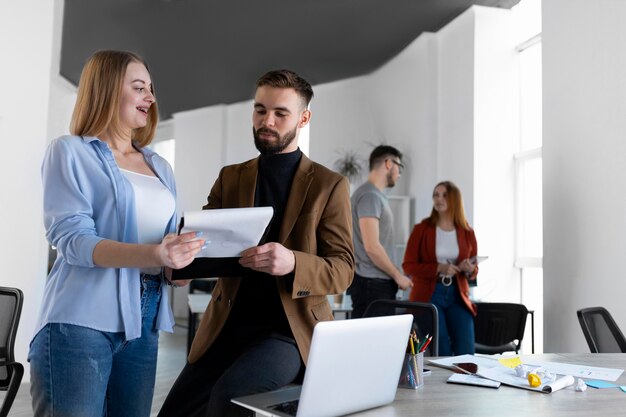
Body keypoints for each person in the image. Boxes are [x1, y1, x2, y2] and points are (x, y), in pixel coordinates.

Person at [158, 69, 355, 417]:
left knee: (228, 400)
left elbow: (342, 269)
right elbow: (204, 244)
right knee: (175, 412)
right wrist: (180, 261)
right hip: (226, 325)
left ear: (304, 118)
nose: (267, 120)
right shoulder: (231, 177)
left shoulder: (329, 185)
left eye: (281, 113)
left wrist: (293, 262)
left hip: (287, 333)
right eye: (260, 110)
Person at [29, 50, 205, 417]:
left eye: (151, 89)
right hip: (80, 322)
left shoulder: (160, 166)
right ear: (107, 90)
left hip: (144, 323)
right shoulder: (70, 151)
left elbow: (169, 247)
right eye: (139, 87)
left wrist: (182, 264)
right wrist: (157, 254)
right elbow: (74, 241)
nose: (151, 98)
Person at [402, 180, 478, 356]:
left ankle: (464, 384)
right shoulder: (422, 229)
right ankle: (442, 385)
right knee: (441, 348)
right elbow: (408, 266)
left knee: (466, 350)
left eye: (444, 195)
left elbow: (474, 270)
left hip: (457, 294)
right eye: (436, 195)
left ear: (455, 200)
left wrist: (469, 269)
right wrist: (438, 268)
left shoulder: (467, 232)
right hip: (430, 294)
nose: (439, 199)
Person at [349, 145, 413, 319]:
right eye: (399, 168)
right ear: (388, 164)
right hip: (372, 285)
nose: (399, 174)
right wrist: (397, 276)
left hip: (375, 283)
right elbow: (372, 247)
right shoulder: (370, 196)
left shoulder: (374, 195)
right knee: (370, 344)